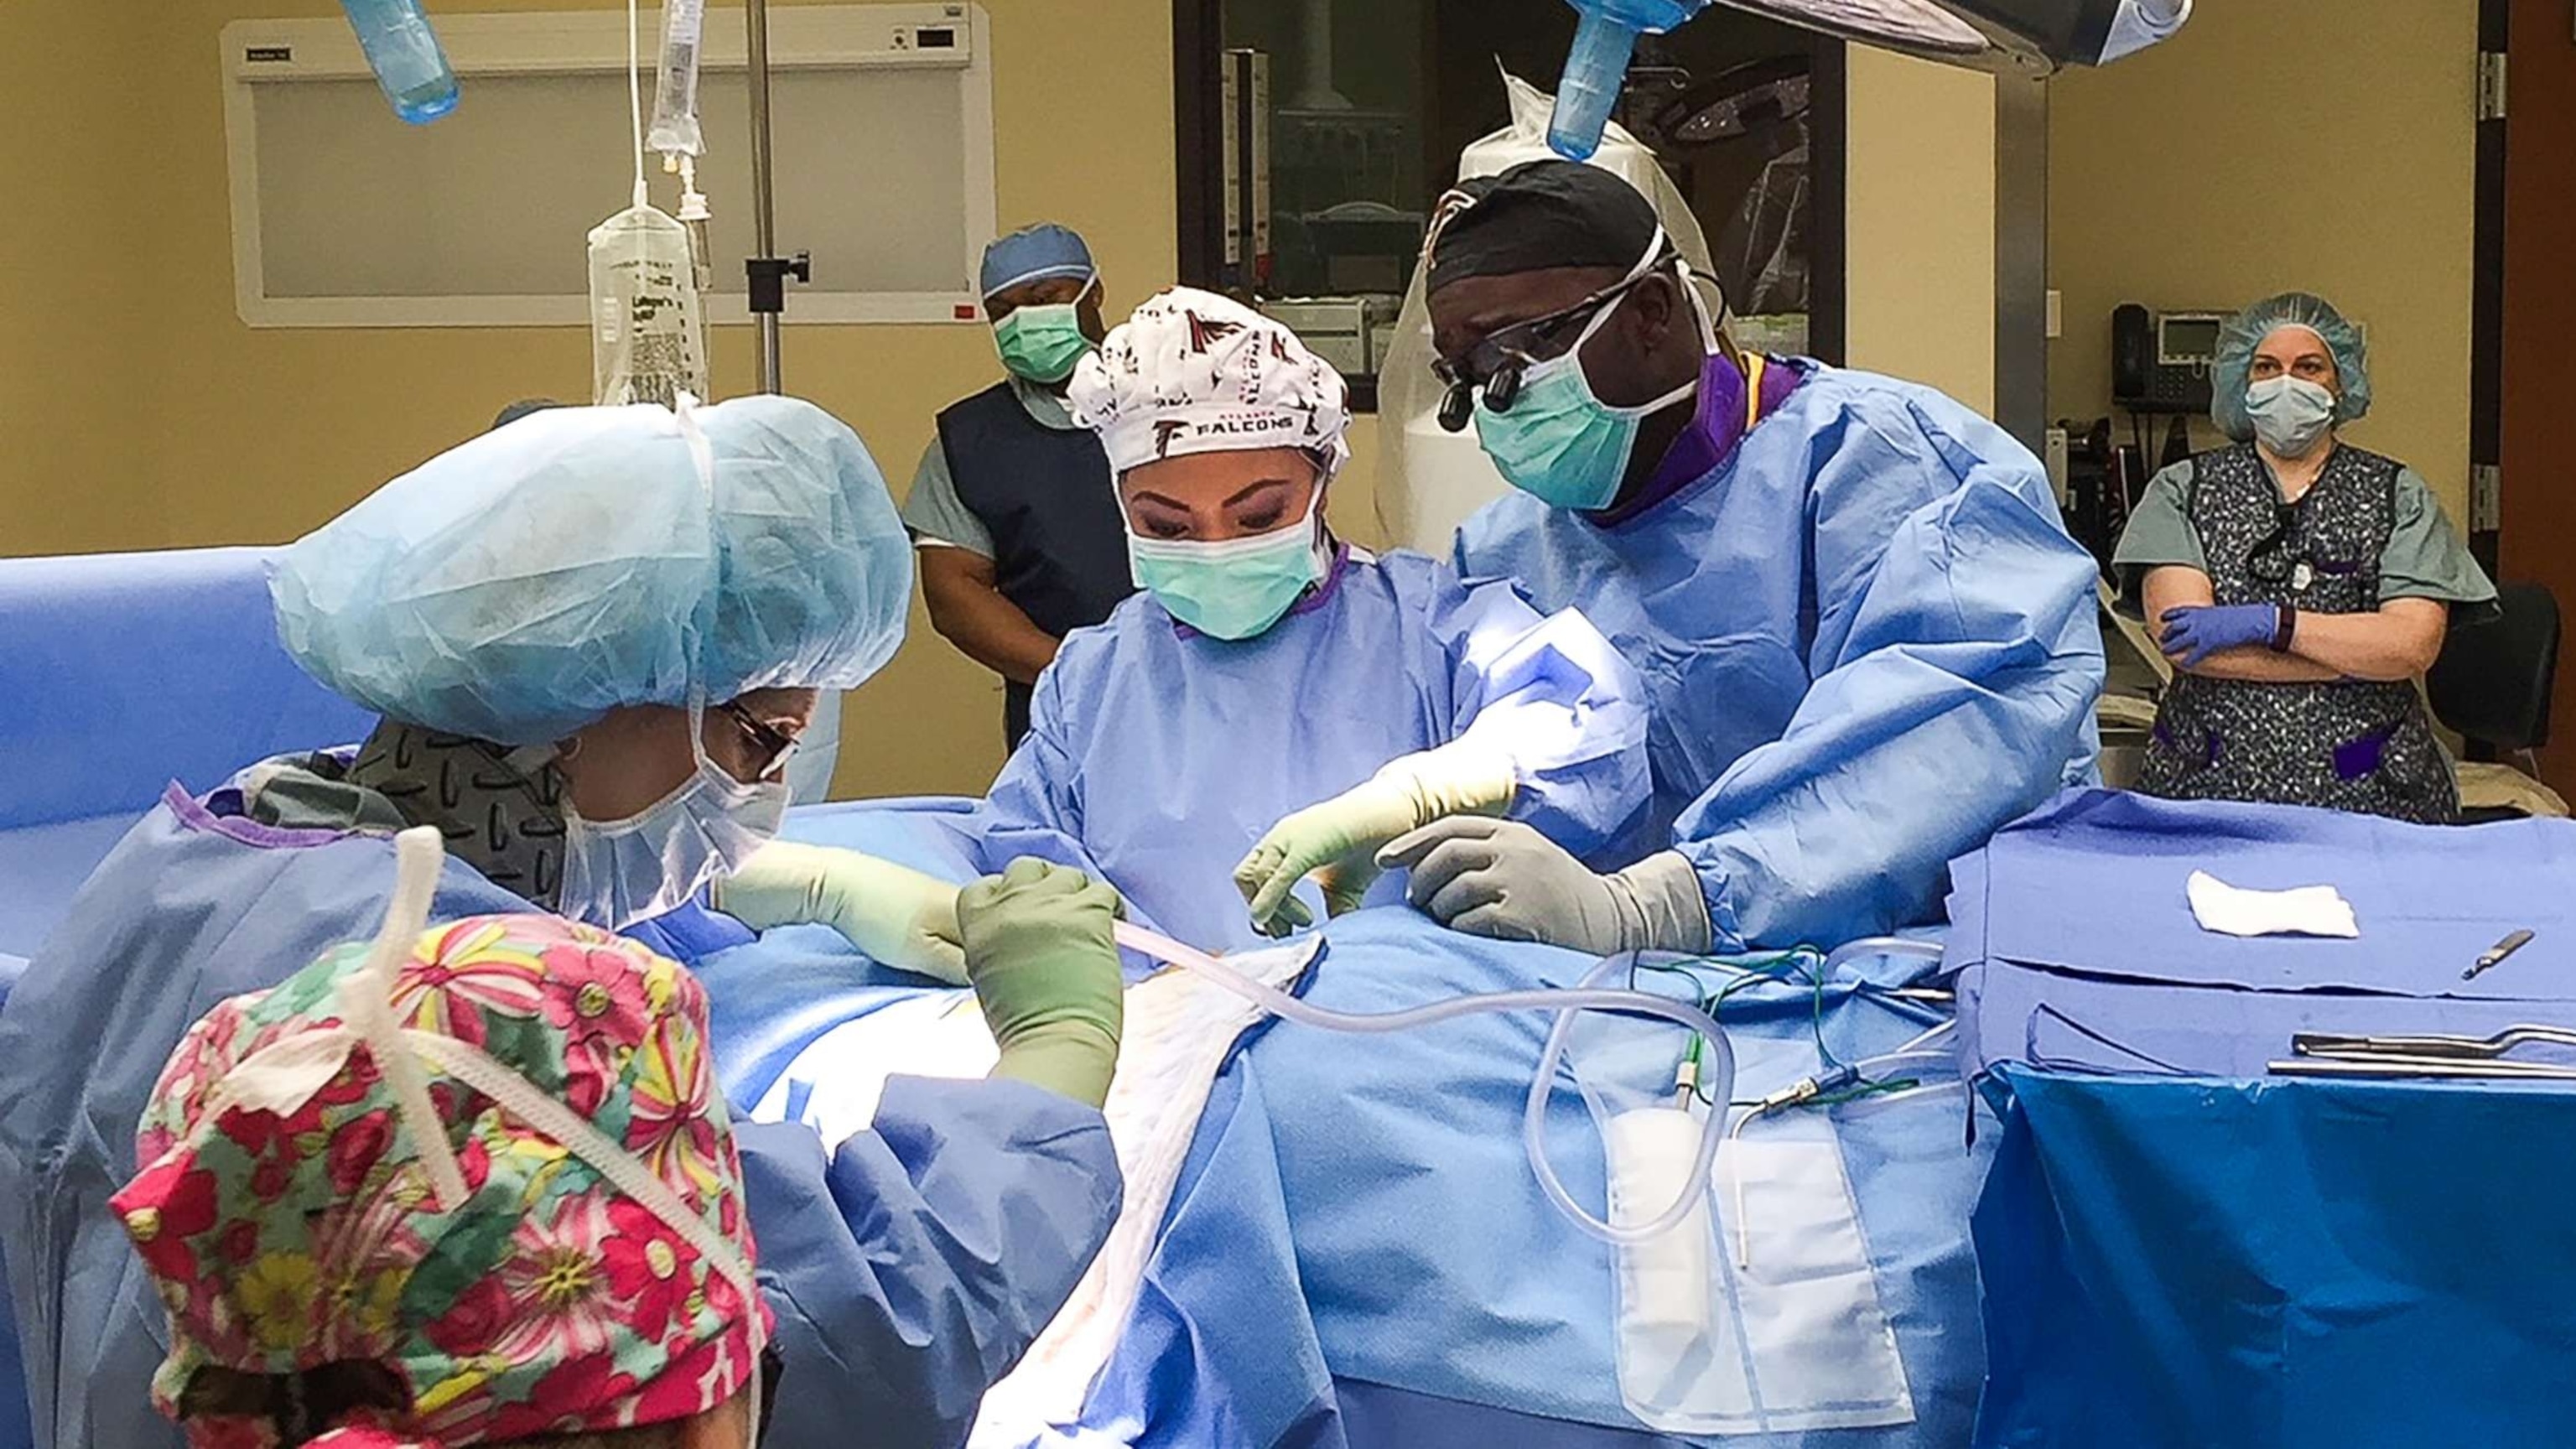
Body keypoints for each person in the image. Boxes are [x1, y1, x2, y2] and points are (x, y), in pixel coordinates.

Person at [0, 396, 1129, 1448]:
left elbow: (481, 881)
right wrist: (1050, 1067)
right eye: (761, 742)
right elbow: (825, 1326)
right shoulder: (458, 1046)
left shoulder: (196, 857)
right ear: (573, 707)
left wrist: (792, 886)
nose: (762, 797)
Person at [792, 288, 1651, 955]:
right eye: (1166, 526)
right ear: (1121, 504)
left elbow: (1594, 721)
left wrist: (1444, 781)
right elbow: (1025, 867)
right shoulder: (1092, 682)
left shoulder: (1435, 631)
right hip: (1178, 1057)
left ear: (1321, 484)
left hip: (1406, 1054)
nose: (1213, 549)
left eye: (1256, 515)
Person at [1386, 159, 2104, 957]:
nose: (1489, 407)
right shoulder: (1504, 551)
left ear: (1651, 310)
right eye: (1465, 377)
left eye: (1510, 363)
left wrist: (1666, 906)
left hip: (1913, 988)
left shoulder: (1888, 467)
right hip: (1620, 1005)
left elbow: (1944, 754)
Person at [2114, 292, 2494, 823]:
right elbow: (2186, 640)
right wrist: (2352, 662)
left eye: (2309, 367)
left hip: (2371, 789)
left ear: (2341, 385)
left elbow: (2411, 645)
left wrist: (2277, 624)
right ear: (2242, 384)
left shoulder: (2397, 492)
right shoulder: (2183, 489)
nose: (2285, 382)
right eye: (2267, 367)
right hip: (2210, 786)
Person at [901, 224, 1135, 750]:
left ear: (1093, 292)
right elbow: (955, 591)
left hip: (1210, 690)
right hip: (1061, 711)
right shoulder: (970, 442)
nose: (1023, 321)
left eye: (1043, 299)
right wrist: (1078, 676)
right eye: (1003, 311)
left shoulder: (1177, 400)